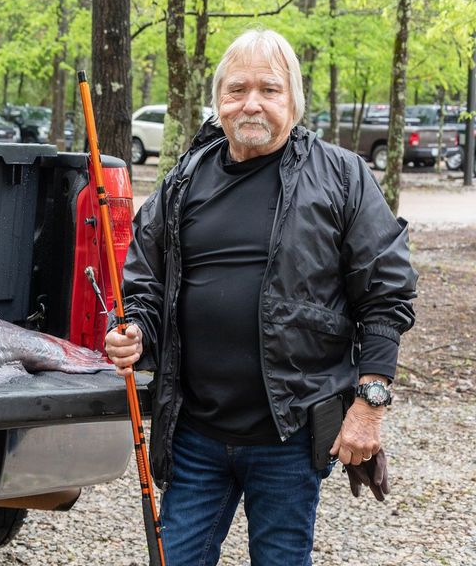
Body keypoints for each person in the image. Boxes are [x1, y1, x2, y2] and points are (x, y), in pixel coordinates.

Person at [104, 28, 417, 565]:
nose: (251, 103)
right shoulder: (184, 179)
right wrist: (135, 327)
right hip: (196, 432)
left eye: (269, 90)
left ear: (294, 100)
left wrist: (370, 405)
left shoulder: (341, 176)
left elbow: (387, 291)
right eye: (237, 89)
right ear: (218, 100)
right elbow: (145, 280)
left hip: (289, 435)